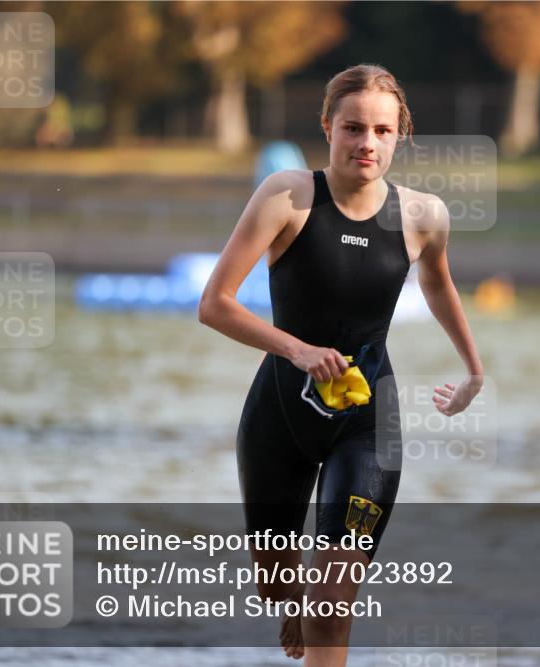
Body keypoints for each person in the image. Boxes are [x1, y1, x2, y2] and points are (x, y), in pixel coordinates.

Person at [198, 63, 484, 666]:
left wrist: (473, 369)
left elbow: (437, 283)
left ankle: (318, 609)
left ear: (400, 134)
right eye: (353, 128)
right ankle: (290, 599)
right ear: (328, 127)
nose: (367, 143)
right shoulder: (287, 196)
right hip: (280, 416)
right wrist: (297, 350)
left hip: (368, 424)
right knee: (277, 585)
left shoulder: (423, 216)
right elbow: (214, 304)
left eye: (382, 130)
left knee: (331, 604)